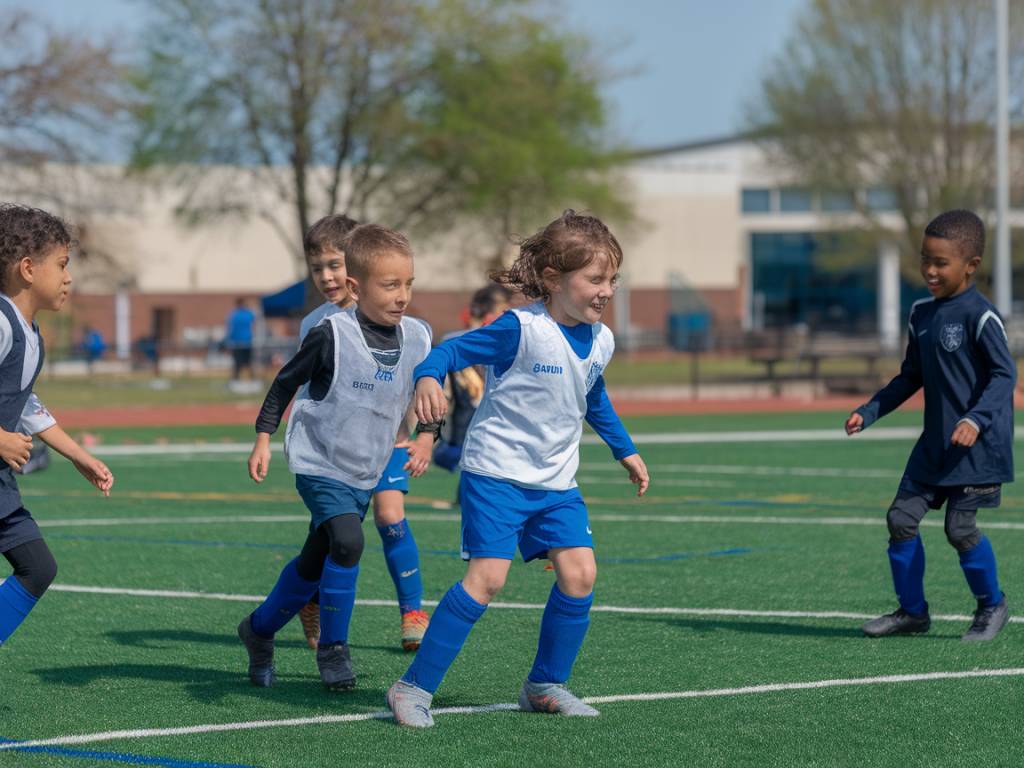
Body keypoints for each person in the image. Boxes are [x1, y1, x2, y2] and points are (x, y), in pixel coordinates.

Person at [386, 210, 650, 728]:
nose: (606, 291)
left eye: (612, 280)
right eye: (595, 279)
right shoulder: (521, 328)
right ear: (553, 279)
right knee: (486, 580)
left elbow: (592, 396)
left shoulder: (602, 340)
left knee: (580, 575)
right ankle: (411, 688)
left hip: (556, 482)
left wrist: (625, 449)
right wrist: (427, 379)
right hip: (496, 474)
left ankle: (545, 684)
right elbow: (450, 350)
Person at [241, 223, 436, 691]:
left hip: (367, 463)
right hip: (318, 460)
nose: (402, 295)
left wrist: (427, 434)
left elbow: (431, 393)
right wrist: (263, 437)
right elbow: (285, 383)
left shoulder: (417, 336)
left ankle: (259, 629)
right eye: (391, 285)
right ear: (358, 285)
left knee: (317, 558)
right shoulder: (328, 331)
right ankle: (334, 650)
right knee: (348, 541)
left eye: (408, 284)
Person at [846, 209, 1013, 642]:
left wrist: (975, 420)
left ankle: (992, 605)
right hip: (934, 445)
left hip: (977, 448)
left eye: (941, 263)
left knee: (959, 530)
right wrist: (871, 410)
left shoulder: (982, 316)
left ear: (971, 266)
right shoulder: (921, 313)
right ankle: (912, 613)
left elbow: (1004, 376)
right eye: (926, 260)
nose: (930, 271)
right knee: (900, 519)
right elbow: (910, 376)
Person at [294, 214, 432, 653]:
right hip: (335, 455)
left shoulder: (397, 319)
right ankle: (311, 600)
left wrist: (418, 428)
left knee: (391, 517)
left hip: (388, 443)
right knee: (334, 534)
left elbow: (412, 377)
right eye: (318, 268)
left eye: (334, 264)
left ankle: (412, 611)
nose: (327, 277)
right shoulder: (317, 326)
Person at [0, 204, 114, 648]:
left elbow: (25, 402)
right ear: (28, 269)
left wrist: (79, 456)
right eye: (62, 265)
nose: (69, 278)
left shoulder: (30, 332)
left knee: (38, 567)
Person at [432, 284, 512, 474]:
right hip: (461, 438)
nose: (509, 313)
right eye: (503, 308)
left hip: (483, 434)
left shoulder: (503, 341)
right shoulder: (461, 341)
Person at [225, 298, 256, 380]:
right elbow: (253, 325)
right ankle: (252, 380)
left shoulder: (233, 315)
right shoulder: (249, 314)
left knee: (238, 364)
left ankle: (235, 380)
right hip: (247, 342)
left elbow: (230, 329)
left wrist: (229, 341)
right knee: (248, 363)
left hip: (237, 343)